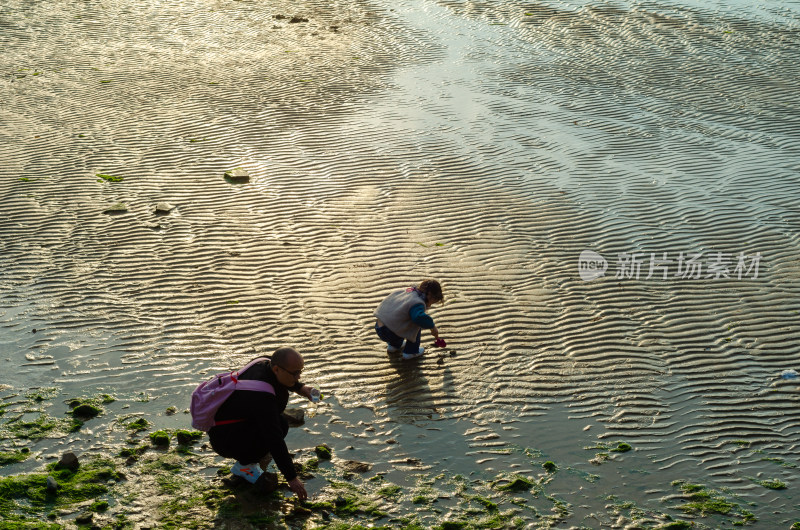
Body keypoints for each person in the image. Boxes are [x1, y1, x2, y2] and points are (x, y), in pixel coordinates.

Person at [208, 347, 313, 500]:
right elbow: (274, 439)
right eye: (294, 373)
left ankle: (249, 456)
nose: (298, 377)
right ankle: (244, 466)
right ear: (276, 369)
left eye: (300, 372)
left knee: (279, 422)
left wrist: (300, 387)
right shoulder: (261, 397)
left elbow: (284, 378)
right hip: (224, 439)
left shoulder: (264, 362)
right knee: (278, 428)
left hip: (229, 425)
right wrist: (292, 478)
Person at [374, 279, 443, 360]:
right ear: (429, 295)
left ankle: (394, 346)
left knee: (403, 319)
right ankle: (411, 352)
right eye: (432, 302)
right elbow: (419, 317)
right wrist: (432, 326)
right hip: (389, 332)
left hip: (379, 327)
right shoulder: (418, 303)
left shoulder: (408, 292)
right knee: (417, 324)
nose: (430, 305)